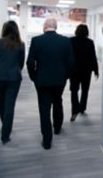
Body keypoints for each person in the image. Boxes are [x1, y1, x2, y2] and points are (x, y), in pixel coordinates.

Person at [26, 18, 73, 150]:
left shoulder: (36, 40)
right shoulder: (65, 41)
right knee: (58, 101)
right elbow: (71, 62)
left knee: (44, 108)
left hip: (42, 81)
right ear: (56, 27)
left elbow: (30, 62)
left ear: (45, 26)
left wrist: (33, 77)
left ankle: (47, 140)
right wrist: (66, 76)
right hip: (59, 80)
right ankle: (57, 128)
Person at [0, 21, 25, 144]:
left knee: (1, 103)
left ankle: (5, 125)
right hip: (13, 78)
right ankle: (5, 134)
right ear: (16, 30)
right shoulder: (21, 44)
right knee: (10, 106)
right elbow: (21, 63)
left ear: (4, 29)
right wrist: (14, 71)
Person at [69, 24, 99, 122]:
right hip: (86, 71)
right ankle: (82, 108)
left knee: (74, 90)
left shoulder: (71, 41)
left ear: (76, 31)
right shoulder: (90, 42)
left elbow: (68, 56)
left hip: (74, 70)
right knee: (85, 90)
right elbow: (93, 57)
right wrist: (96, 71)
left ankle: (74, 110)